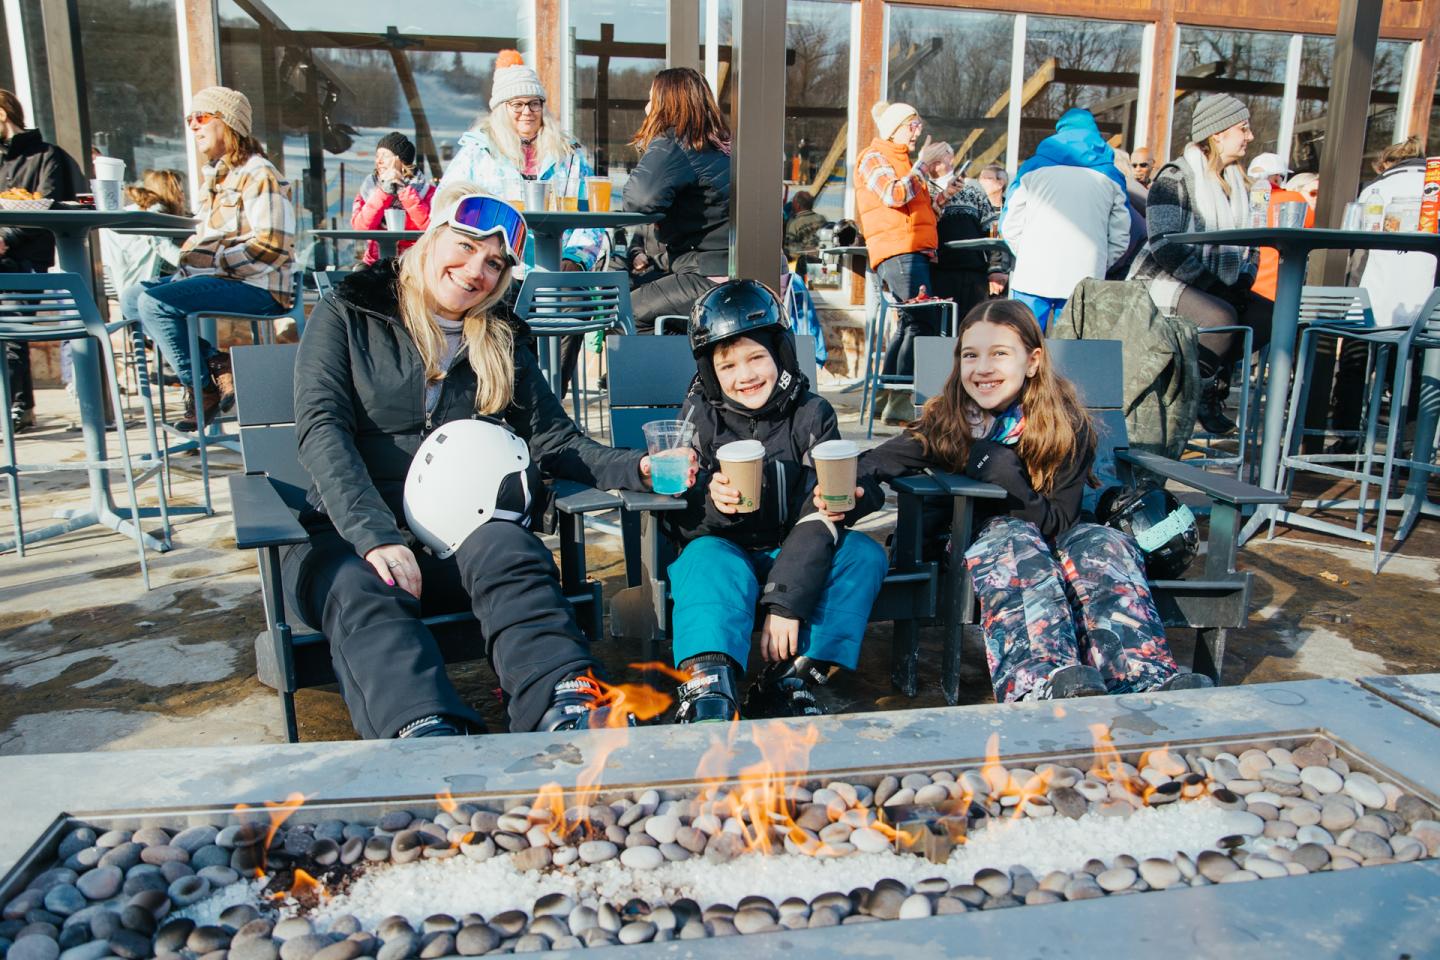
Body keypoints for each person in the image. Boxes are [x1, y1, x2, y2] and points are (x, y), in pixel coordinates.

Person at [286, 183, 681, 740]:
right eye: (466, 245)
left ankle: (565, 706)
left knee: (510, 545)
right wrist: (376, 536)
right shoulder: (350, 313)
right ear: (432, 234)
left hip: (455, 542)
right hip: (347, 540)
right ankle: (425, 734)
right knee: (365, 586)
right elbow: (321, 428)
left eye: (495, 262)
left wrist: (634, 468)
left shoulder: (498, 337)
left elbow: (554, 440)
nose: (477, 270)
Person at [828, 299, 1209, 702]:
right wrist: (848, 491)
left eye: (1000, 354)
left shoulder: (1063, 424)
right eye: (971, 355)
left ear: (1032, 361)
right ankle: (1041, 680)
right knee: (1014, 539)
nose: (983, 368)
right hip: (970, 547)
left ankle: (1142, 677)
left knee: (1103, 542)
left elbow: (1059, 520)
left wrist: (998, 464)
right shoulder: (951, 421)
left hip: (1055, 536)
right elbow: (880, 461)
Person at [667, 280, 887, 722]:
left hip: (797, 548)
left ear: (780, 356)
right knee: (705, 557)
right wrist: (710, 502)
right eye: (727, 366)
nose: (744, 375)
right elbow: (682, 516)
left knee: (863, 553)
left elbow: (819, 516)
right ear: (711, 373)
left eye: (756, 358)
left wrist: (786, 604)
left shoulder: (812, 415)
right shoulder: (699, 416)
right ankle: (709, 683)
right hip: (727, 548)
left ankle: (793, 678)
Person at [120, 86, 295, 431]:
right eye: (190, 120)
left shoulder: (259, 173)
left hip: (258, 286)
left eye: (201, 118)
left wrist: (210, 262)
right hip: (221, 279)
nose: (193, 127)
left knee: (155, 304)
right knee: (130, 299)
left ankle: (201, 387)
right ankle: (217, 365)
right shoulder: (216, 179)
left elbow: (274, 246)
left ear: (227, 123)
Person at [1127, 94, 1271, 436]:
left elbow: (1253, 242)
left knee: (1269, 316)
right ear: (1217, 133)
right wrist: (1215, 288)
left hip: (1216, 282)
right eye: (1243, 128)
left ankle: (1207, 380)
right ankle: (1196, 394)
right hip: (1161, 279)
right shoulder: (1175, 177)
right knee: (1219, 318)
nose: (1249, 136)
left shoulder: (1241, 184)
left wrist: (1242, 282)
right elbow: (1164, 244)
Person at [441, 51, 604, 273]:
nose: (527, 112)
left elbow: (592, 216)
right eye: (517, 104)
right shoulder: (477, 153)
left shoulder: (568, 154)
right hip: (495, 270)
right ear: (500, 109)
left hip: (559, 269)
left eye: (534, 103)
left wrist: (576, 258)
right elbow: (444, 207)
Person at [621, 67, 732, 334]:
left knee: (624, 313)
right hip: (731, 267)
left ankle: (652, 377)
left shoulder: (675, 142)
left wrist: (654, 144)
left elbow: (639, 200)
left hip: (713, 275)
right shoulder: (720, 144)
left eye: (651, 100)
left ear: (665, 104)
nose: (647, 108)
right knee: (641, 287)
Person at [1000, 108, 1130, 330]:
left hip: (1033, 274)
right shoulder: (1112, 175)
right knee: (1072, 354)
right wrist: (1099, 262)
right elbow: (1121, 236)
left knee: (1022, 345)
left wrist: (1028, 254)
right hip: (1085, 279)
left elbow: (1009, 223)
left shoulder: (1032, 167)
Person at [855, 100, 941, 424]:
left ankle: (885, 398)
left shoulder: (903, 161)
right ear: (894, 128)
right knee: (920, 322)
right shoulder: (874, 156)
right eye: (912, 125)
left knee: (909, 323)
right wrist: (922, 166)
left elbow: (920, 210)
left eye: (918, 124)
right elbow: (893, 195)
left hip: (910, 248)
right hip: (899, 249)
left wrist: (944, 190)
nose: (918, 131)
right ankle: (900, 401)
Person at [0, 88, 80, 433]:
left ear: (2, 113)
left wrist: (5, 239)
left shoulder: (46, 155)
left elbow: (45, 206)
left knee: (12, 331)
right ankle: (17, 406)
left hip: (26, 258)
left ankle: (15, 408)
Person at [350, 131, 434, 265]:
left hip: (414, 262)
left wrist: (404, 191)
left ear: (400, 160)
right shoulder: (368, 189)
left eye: (385, 155)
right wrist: (383, 192)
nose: (379, 161)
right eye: (377, 156)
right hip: (375, 263)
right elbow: (360, 228)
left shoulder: (426, 191)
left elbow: (430, 227)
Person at [99, 170, 189, 295]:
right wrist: (192, 264)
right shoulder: (154, 210)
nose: (183, 197)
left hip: (108, 274)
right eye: (181, 191)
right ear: (170, 192)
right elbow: (162, 246)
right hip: (127, 282)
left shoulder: (137, 208)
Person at [1252, 172, 1317, 302]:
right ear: (1295, 189)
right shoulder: (1293, 200)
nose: (1317, 199)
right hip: (1275, 293)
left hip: (1254, 285)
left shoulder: (1261, 201)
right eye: (1313, 193)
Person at [784, 189, 826, 267]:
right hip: (822, 263)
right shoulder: (821, 219)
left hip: (803, 268)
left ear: (797, 205)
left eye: (793, 203)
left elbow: (791, 253)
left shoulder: (794, 223)